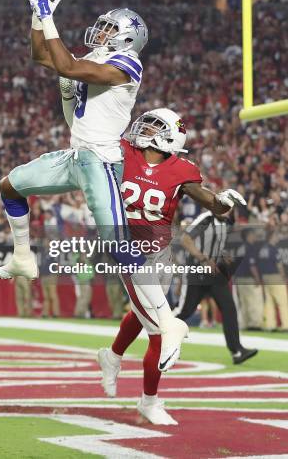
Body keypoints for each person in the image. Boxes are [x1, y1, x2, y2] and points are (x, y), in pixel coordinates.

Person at [62, 101, 246, 423]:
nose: (145, 130)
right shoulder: (122, 152)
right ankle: (149, 401)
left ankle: (112, 356)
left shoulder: (182, 170)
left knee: (140, 313)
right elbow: (88, 139)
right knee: (160, 329)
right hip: (129, 252)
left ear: (171, 138)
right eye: (146, 124)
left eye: (154, 127)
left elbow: (211, 203)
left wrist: (223, 203)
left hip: (161, 253)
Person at [0, 0, 148, 286]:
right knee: (9, 187)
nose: (102, 32)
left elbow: (67, 67)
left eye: (110, 28)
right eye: (104, 26)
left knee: (120, 248)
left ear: (128, 38)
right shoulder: (95, 57)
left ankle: (165, 314)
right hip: (76, 156)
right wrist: (38, 19)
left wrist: (50, 19)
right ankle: (23, 258)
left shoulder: (129, 64)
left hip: (102, 160)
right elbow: (41, 56)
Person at [176, 211, 258, 364]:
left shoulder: (226, 223)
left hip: (213, 272)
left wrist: (222, 256)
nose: (228, 210)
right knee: (184, 310)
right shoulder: (206, 217)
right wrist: (203, 258)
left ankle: (237, 351)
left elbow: (217, 246)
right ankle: (158, 337)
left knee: (229, 308)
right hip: (197, 269)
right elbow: (185, 239)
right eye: (225, 206)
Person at [234, 228, 264, 330]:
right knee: (254, 301)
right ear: (249, 235)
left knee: (244, 302)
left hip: (240, 278)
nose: (255, 236)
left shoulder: (240, 248)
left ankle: (245, 323)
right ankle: (255, 324)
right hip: (250, 278)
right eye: (253, 234)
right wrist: (257, 278)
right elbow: (252, 265)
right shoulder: (250, 247)